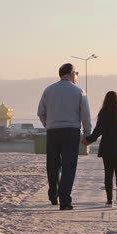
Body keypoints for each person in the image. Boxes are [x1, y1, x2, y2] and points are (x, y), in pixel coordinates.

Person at [37, 63, 92, 210]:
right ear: (72, 73)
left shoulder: (49, 90)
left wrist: (48, 124)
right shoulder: (79, 91)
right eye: (76, 74)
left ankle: (53, 195)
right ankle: (65, 200)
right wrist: (87, 134)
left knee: (53, 165)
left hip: (53, 132)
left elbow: (40, 112)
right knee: (69, 167)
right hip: (71, 132)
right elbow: (86, 115)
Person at [82, 91, 117, 209]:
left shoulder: (103, 113)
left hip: (107, 148)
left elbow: (98, 131)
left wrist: (88, 140)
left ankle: (109, 200)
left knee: (108, 174)